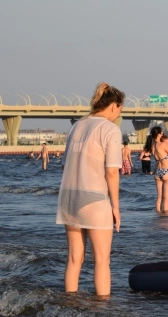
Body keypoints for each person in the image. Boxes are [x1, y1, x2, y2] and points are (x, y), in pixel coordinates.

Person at [56, 82, 124, 296]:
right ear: (114, 105)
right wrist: (116, 206)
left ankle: (69, 306)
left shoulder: (77, 125)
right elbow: (112, 172)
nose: (118, 115)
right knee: (102, 260)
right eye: (120, 110)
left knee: (75, 258)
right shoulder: (110, 129)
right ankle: (102, 310)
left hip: (68, 199)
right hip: (94, 199)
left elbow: (67, 164)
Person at [150, 126, 168, 212]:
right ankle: (166, 218)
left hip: (158, 171)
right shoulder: (163, 144)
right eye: (162, 133)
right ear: (159, 134)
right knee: (166, 198)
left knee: (159, 197)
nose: (163, 134)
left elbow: (158, 158)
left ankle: (158, 214)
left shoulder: (153, 146)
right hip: (167, 171)